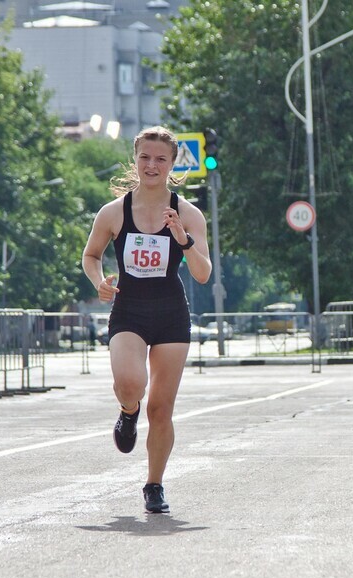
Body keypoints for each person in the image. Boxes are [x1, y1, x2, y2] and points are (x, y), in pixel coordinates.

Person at [82, 126, 212, 513]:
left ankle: (154, 484)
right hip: (129, 310)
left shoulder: (187, 213)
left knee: (161, 409)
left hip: (171, 314)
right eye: (145, 157)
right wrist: (99, 282)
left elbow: (203, 273)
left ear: (172, 164)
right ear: (135, 159)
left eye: (161, 159)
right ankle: (127, 412)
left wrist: (183, 239)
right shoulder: (114, 212)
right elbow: (91, 256)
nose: (152, 165)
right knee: (130, 383)